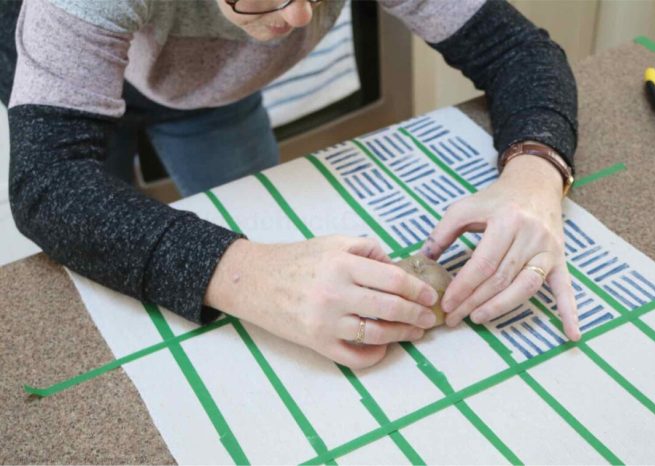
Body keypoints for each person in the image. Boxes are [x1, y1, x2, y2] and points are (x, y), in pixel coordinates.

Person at [0, 0, 580, 370]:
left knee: (256, 220)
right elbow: (51, 183)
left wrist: (535, 175)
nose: (302, 16)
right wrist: (247, 277)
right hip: (70, 80)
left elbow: (516, 50)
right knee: (100, 227)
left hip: (217, 88)